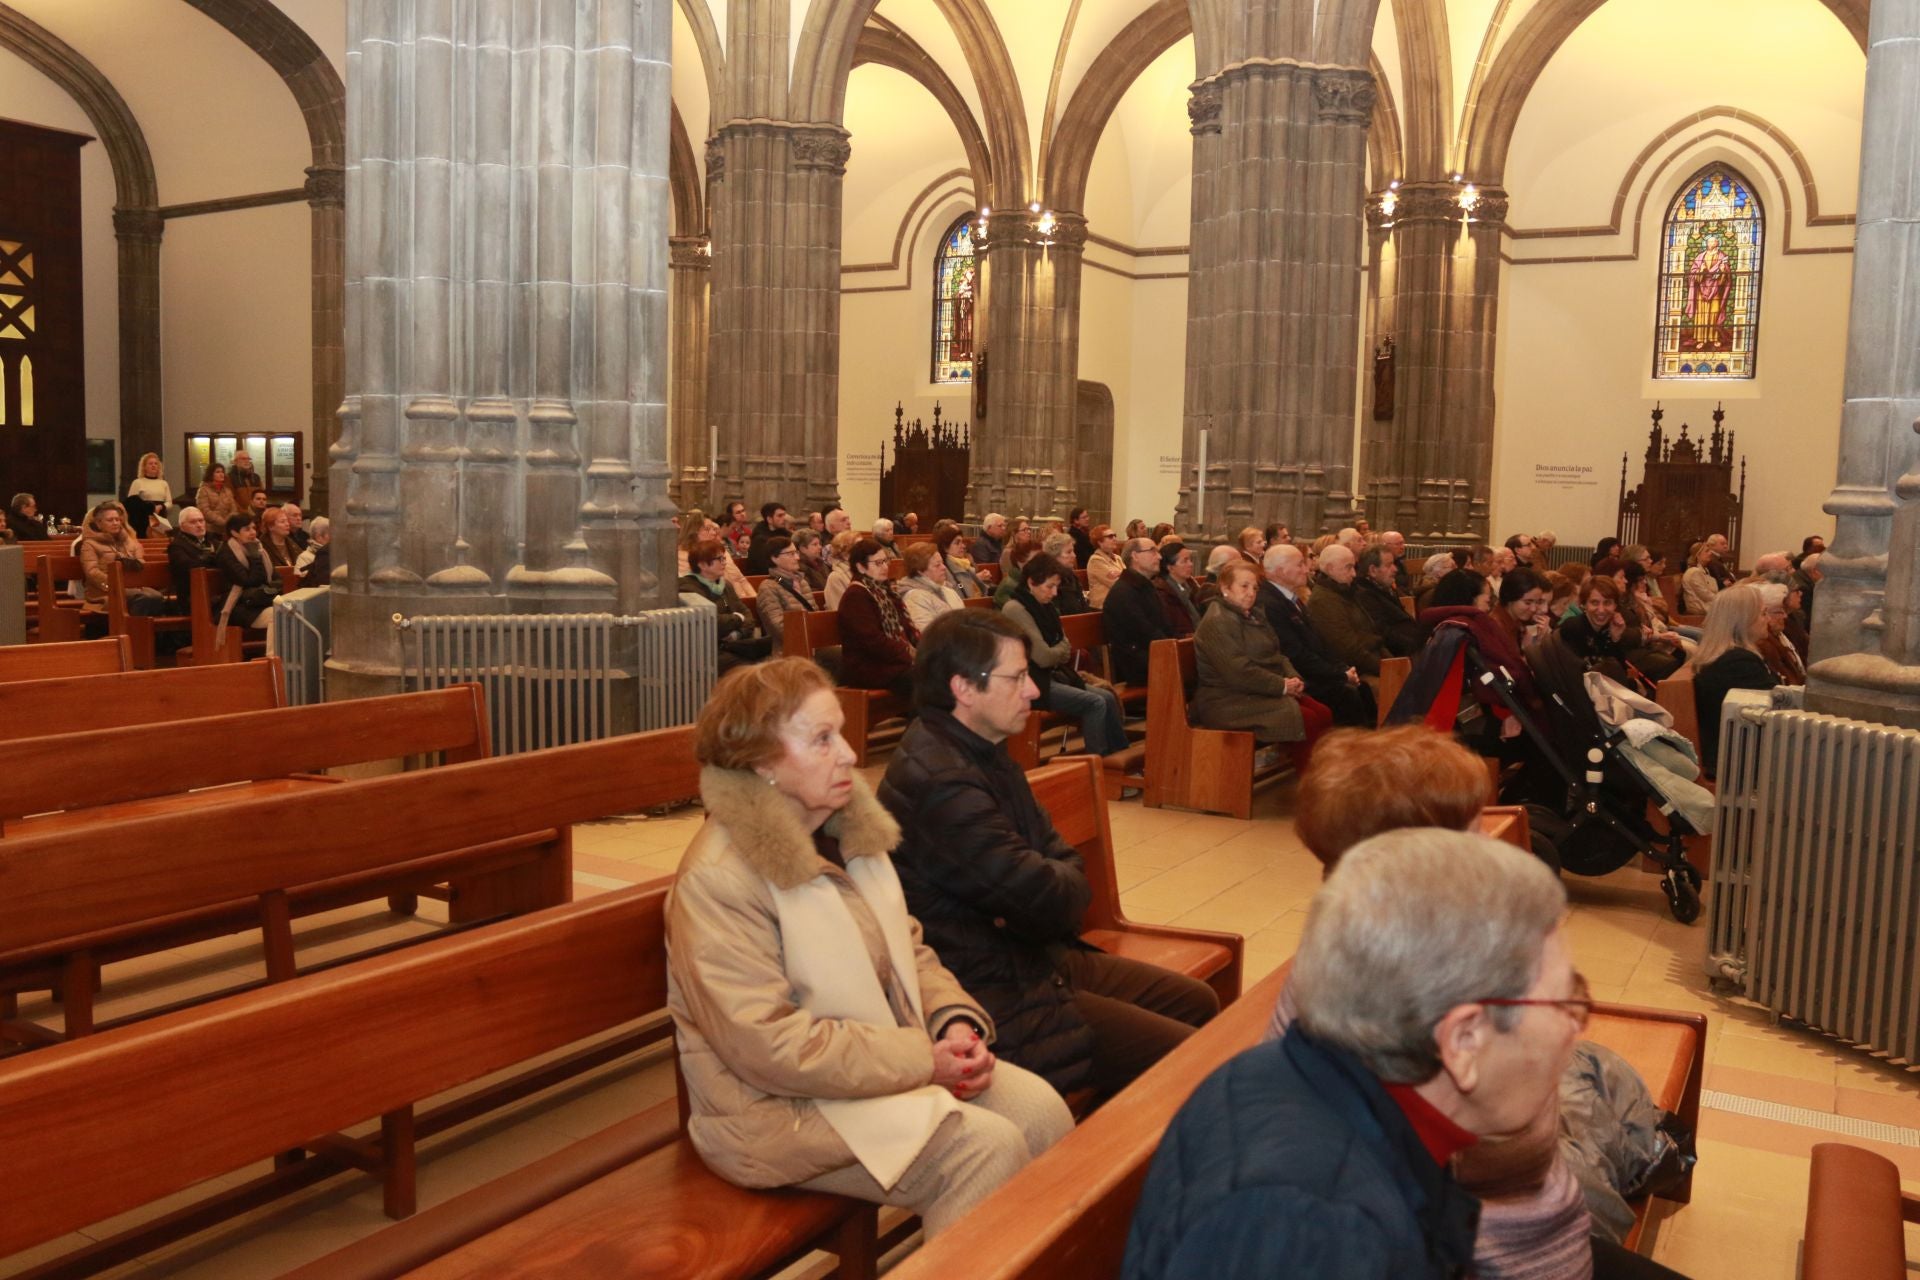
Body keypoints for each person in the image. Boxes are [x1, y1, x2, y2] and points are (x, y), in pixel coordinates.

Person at [666, 658, 1071, 1236]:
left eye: (842, 734)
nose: (850, 755)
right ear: (761, 761)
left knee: (1041, 1111)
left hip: (874, 1067)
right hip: (772, 1112)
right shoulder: (720, 879)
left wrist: (952, 1024)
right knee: (982, 1151)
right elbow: (768, 1046)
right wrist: (919, 1060)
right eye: (822, 739)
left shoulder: (846, 831)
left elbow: (909, 950)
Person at [1126, 829, 1593, 1280]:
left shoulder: (1314, 1080)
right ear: (1463, 1041)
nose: (1574, 1027)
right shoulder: (1314, 1224)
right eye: (1565, 1001)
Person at [880, 611, 1218, 1099]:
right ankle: (1117, 1160)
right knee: (1187, 1056)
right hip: (990, 986)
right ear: (964, 688)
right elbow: (1046, 897)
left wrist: (1060, 883)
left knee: (1196, 1001)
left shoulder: (982, 748)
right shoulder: (940, 780)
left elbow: (1056, 863)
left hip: (1028, 953)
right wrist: (1060, 884)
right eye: (1017, 678)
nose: (1034, 690)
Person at [1192, 559, 1332, 769]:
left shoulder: (1255, 614)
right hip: (1227, 700)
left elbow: (1278, 655)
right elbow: (1238, 671)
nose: (1251, 593)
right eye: (1244, 586)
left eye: (1255, 587)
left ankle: (1325, 777)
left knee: (1323, 712)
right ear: (1225, 588)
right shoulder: (1217, 621)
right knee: (1306, 718)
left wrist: (1294, 679)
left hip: (1259, 691)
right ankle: (1312, 783)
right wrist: (1282, 686)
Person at [1003, 554, 1130, 758]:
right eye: (1049, 586)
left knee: (1108, 697)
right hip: (1032, 682)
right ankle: (1096, 764)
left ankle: (1118, 758)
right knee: (1095, 703)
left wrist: (1057, 651)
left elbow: (1065, 646)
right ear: (1031, 582)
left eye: (1056, 587)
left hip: (1052, 675)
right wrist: (1057, 651)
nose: (1054, 593)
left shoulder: (1045, 606)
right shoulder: (1015, 609)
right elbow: (1042, 657)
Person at [1259, 544, 1375, 727]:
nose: (1307, 569)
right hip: (1297, 675)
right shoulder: (1270, 603)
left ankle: (1370, 746)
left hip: (1312, 670)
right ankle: (1350, 751)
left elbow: (1319, 642)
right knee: (1347, 694)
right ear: (1281, 570)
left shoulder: (1290, 599)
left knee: (1362, 688)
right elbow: (1295, 653)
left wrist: (1342, 668)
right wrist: (1340, 675)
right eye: (1300, 565)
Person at [1689, 586, 1779, 778]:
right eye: (1763, 613)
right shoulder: (1738, 664)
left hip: (1739, 749)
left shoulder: (1729, 657)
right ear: (1743, 620)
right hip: (1739, 762)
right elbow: (1776, 712)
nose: (1769, 620)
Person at [838, 537, 919, 701]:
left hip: (891, 661)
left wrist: (925, 648)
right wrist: (909, 653)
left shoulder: (885, 590)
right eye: (878, 563)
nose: (885, 567)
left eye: (885, 561)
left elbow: (907, 627)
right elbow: (872, 642)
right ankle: (923, 724)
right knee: (925, 679)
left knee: (940, 669)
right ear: (861, 566)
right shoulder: (856, 595)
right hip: (869, 666)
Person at [680, 538, 771, 672]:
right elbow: (711, 622)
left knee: (769, 660)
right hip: (707, 650)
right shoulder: (689, 587)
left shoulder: (725, 585)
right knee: (752, 669)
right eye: (720, 559)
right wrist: (737, 619)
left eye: (724, 558)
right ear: (703, 565)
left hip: (733, 644)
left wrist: (738, 633)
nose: (724, 563)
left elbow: (748, 615)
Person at [1305, 544, 1389, 677]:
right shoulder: (1323, 601)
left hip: (1373, 660)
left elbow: (1372, 633)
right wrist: (1386, 669)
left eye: (1354, 567)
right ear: (1330, 569)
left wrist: (1391, 662)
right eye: (1348, 567)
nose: (1354, 574)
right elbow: (1348, 650)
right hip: (1357, 671)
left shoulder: (1346, 591)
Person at [1102, 537, 1175, 685]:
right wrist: (1174, 649)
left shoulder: (1145, 586)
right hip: (1137, 665)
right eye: (1153, 551)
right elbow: (1145, 632)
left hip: (1155, 654)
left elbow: (1165, 624)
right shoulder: (1123, 593)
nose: (1159, 556)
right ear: (1135, 556)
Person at [77, 501, 149, 609]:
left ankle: (137, 624)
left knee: (155, 597)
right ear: (98, 523)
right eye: (110, 520)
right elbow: (92, 572)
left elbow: (141, 563)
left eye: (117, 519)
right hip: (102, 592)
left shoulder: (131, 543)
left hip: (131, 588)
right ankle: (132, 625)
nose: (115, 523)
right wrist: (116, 583)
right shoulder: (89, 544)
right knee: (144, 598)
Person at [213, 512, 278, 629]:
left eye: (254, 528)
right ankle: (274, 648)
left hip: (259, 602)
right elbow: (247, 581)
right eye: (247, 529)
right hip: (237, 605)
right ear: (234, 532)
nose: (253, 532)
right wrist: (255, 558)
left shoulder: (258, 549)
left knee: (290, 613)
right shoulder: (226, 552)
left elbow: (275, 577)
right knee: (278, 617)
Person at [1353, 545, 1420, 656]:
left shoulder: (1383, 587)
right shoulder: (1364, 595)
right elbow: (1383, 634)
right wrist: (1418, 645)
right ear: (1373, 570)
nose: (1395, 569)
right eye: (1389, 565)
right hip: (1399, 656)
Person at [753, 535, 818, 646]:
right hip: (789, 648)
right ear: (774, 558)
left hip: (813, 642)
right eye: (790, 554)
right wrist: (810, 637)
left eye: (796, 553)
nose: (797, 557)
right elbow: (778, 627)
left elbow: (815, 614)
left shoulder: (802, 582)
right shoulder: (768, 588)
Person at [898, 541, 967, 633]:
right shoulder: (914, 598)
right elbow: (926, 634)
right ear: (920, 571)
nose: (944, 568)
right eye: (937, 565)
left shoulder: (948, 590)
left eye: (942, 563)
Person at [1752, 582, 1806, 686]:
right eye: (1778, 612)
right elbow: (1784, 682)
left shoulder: (1783, 634)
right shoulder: (1764, 644)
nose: (1785, 616)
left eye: (1784, 611)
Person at [169, 506, 220, 606]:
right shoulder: (176, 546)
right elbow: (187, 567)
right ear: (182, 526)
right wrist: (211, 559)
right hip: (192, 597)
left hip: (218, 591)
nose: (199, 525)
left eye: (201, 521)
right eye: (193, 522)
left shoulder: (214, 541)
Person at [1154, 540, 1203, 636]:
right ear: (1170, 567)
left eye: (1190, 560)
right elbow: (1175, 627)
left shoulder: (1190, 584)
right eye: (1185, 561)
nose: (1190, 564)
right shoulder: (1163, 592)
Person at [1040, 532, 1090, 615]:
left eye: (1073, 551)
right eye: (1069, 552)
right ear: (1054, 555)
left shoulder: (1071, 575)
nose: (1074, 556)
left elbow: (1082, 605)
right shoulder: (1048, 580)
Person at [125, 452, 174, 535]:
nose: (153, 465)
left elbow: (169, 502)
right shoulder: (137, 482)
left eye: (156, 463)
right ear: (144, 467)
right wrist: (149, 508)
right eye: (150, 463)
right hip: (143, 517)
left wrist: (161, 507)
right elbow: (131, 503)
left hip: (160, 516)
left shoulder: (163, 483)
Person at [934, 524, 987, 599]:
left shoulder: (964, 563)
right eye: (957, 543)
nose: (963, 546)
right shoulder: (944, 570)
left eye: (962, 542)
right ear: (945, 547)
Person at [744, 502, 789, 574]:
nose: (784, 519)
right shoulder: (759, 540)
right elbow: (764, 567)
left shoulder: (786, 534)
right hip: (760, 578)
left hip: (780, 575)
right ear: (769, 519)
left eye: (784, 515)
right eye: (780, 516)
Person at [1086, 524, 1124, 608]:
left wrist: (1120, 574)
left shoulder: (1118, 558)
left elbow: (1129, 578)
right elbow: (1118, 584)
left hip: (1118, 603)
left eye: (1115, 535)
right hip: (1102, 606)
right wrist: (1124, 574)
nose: (1114, 538)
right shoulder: (1095, 560)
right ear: (1099, 542)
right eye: (1110, 536)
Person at [1680, 541, 1720, 615]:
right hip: (1700, 607)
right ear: (1698, 555)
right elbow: (1705, 594)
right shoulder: (1694, 572)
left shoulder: (1705, 570)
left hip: (1707, 604)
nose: (1710, 553)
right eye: (1707, 551)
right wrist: (1722, 599)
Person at [195, 463, 238, 534]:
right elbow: (205, 511)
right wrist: (222, 521)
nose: (221, 474)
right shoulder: (204, 490)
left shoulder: (227, 490)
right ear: (211, 474)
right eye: (218, 472)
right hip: (210, 529)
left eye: (222, 472)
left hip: (227, 528)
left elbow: (234, 509)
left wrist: (228, 520)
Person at [823, 530, 859, 609]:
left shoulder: (864, 570)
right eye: (859, 548)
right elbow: (840, 611)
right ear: (845, 554)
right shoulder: (835, 578)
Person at [258, 505, 300, 571]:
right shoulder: (261, 547)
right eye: (282, 521)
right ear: (270, 526)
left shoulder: (293, 544)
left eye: (287, 521)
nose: (287, 524)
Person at [792, 527, 832, 592]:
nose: (820, 547)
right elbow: (809, 591)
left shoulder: (821, 563)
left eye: (819, 544)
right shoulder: (799, 568)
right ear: (802, 548)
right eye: (815, 544)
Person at [293, 516, 331, 583]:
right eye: (330, 534)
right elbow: (305, 584)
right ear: (319, 537)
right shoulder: (304, 558)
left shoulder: (335, 554)